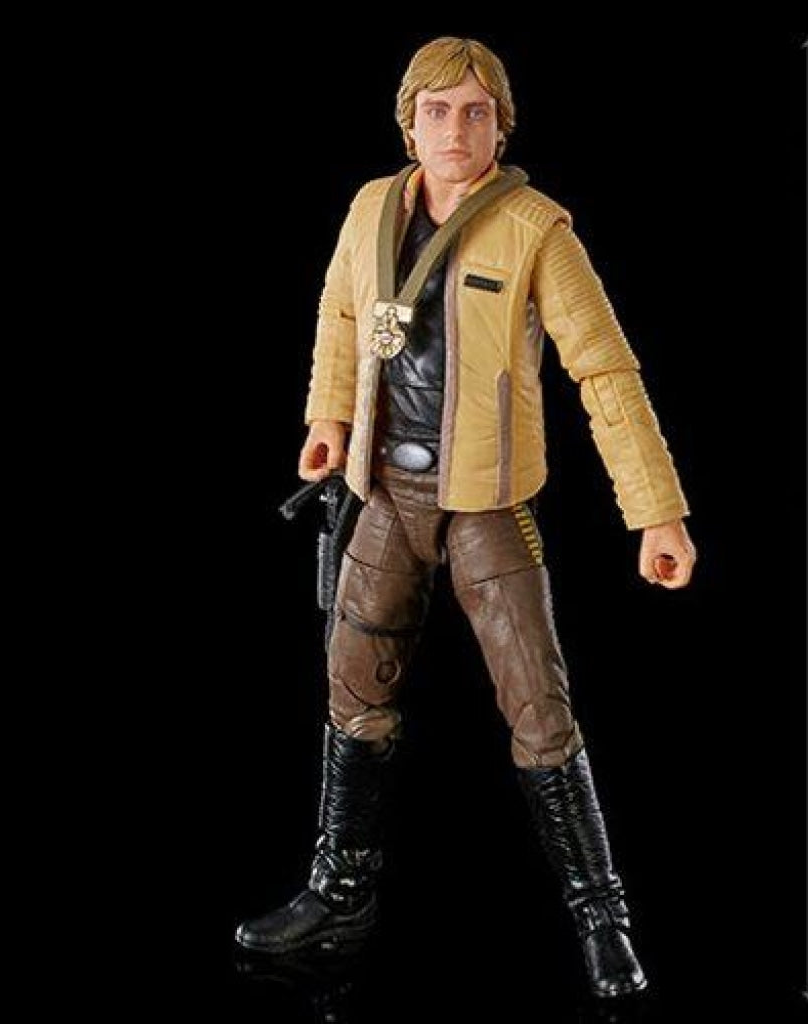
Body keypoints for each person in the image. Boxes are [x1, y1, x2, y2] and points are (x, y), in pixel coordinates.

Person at [235, 36, 696, 1000]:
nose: (456, 130)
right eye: (437, 112)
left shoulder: (535, 230)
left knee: (538, 705)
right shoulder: (372, 209)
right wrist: (327, 422)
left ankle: (601, 916)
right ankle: (340, 892)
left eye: (476, 112)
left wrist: (654, 513)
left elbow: (604, 370)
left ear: (501, 126)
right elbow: (339, 317)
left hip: (485, 500)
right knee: (353, 687)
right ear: (409, 124)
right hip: (382, 494)